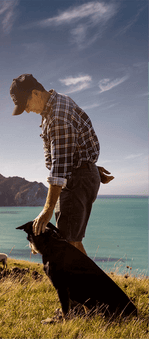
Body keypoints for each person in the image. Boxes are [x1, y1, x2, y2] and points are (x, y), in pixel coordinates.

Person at [10, 74, 114, 255]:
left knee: (69, 243)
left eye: (25, 104)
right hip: (78, 176)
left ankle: (88, 283)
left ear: (35, 93)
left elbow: (59, 167)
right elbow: (74, 146)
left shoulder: (58, 117)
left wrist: (47, 210)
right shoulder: (58, 102)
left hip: (75, 179)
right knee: (70, 240)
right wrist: (89, 167)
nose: (26, 111)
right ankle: (86, 282)